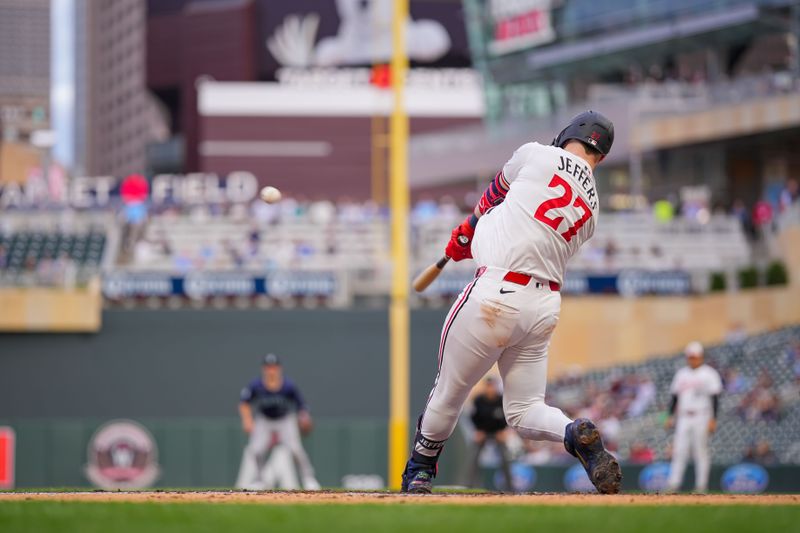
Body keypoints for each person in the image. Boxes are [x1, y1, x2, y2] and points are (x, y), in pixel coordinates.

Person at [401, 111, 622, 494]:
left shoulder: (535, 154)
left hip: (495, 294)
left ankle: (420, 470)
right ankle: (572, 432)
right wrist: (477, 233)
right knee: (524, 410)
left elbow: (496, 194)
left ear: (568, 134)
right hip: (544, 307)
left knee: (449, 391)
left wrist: (469, 229)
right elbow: (526, 224)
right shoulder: (593, 209)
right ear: (600, 157)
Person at [235, 353, 320, 490]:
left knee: (296, 450)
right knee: (255, 450)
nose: (271, 370)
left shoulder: (288, 386)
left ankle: (308, 478)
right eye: (268, 367)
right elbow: (244, 403)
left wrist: (304, 417)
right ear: (264, 369)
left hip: (284, 420)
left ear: (279, 369)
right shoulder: (256, 385)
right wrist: (247, 420)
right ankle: (259, 480)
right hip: (264, 420)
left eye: (274, 367)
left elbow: (301, 405)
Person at [664, 342, 722, 493]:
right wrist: (669, 416)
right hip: (683, 416)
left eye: (695, 357)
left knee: (700, 451)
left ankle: (701, 486)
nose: (692, 359)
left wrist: (713, 419)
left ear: (701, 357)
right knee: (679, 451)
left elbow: (715, 398)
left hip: (702, 415)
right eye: (690, 357)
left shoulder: (709, 373)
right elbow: (674, 397)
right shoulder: (681, 373)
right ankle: (674, 484)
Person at [467, 376, 513, 490]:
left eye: (492, 386)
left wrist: (503, 431)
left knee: (505, 458)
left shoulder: (502, 400)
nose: (490, 389)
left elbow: (508, 416)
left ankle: (510, 487)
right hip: (482, 432)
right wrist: (477, 430)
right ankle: (469, 486)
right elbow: (473, 416)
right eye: (488, 386)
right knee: (473, 458)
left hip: (498, 432)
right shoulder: (478, 400)